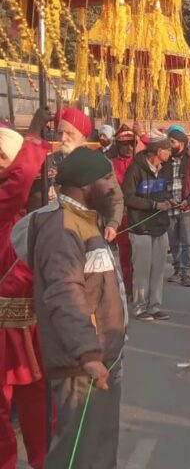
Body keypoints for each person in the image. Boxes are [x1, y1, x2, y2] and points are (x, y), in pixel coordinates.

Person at [24, 148, 126, 468]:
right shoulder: (61, 228)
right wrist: (88, 354)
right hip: (81, 366)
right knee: (77, 455)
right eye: (105, 178)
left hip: (102, 358)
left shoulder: (86, 219)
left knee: (99, 451)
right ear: (84, 186)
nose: (112, 184)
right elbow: (64, 295)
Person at [0, 110, 52, 469]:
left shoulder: (27, 217)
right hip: (1, 332)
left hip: (32, 325)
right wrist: (34, 139)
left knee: (40, 405)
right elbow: (14, 184)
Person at [122, 130, 173, 321]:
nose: (169, 153)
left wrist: (171, 201)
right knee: (142, 270)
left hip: (160, 226)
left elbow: (164, 192)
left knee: (158, 269)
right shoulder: (135, 169)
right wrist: (152, 205)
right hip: (141, 227)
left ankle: (154, 306)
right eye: (167, 149)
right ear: (158, 150)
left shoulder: (165, 169)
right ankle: (139, 307)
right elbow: (128, 197)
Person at [53, 108, 123, 243]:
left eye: (69, 133)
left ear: (83, 136)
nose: (63, 138)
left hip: (89, 235)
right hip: (55, 234)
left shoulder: (100, 164)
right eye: (60, 133)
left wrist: (112, 224)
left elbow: (116, 199)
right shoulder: (49, 162)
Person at [165, 125, 190, 287]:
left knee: (187, 242)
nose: (169, 145)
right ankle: (177, 270)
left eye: (172, 142)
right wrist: (167, 198)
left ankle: (186, 273)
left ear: (181, 143)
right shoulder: (165, 160)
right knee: (173, 242)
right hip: (169, 206)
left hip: (187, 207)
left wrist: (189, 200)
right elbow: (160, 183)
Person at [111, 125, 137, 298]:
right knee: (125, 256)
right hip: (122, 216)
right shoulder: (111, 165)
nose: (129, 148)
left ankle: (141, 290)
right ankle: (128, 289)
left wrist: (141, 135)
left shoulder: (138, 162)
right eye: (125, 144)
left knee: (140, 257)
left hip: (139, 213)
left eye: (132, 144)